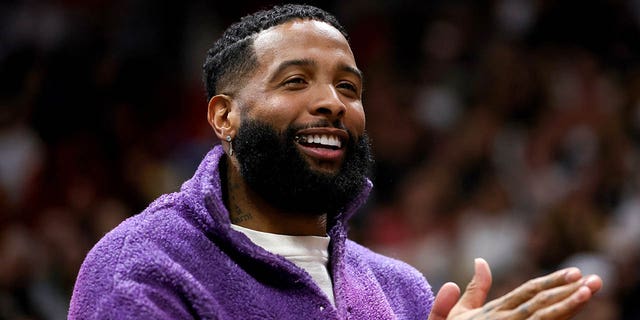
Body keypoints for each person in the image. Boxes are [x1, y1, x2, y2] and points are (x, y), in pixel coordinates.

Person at [68, 4, 602, 319]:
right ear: (224, 117)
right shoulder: (144, 265)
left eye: (349, 87)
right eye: (295, 81)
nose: (333, 102)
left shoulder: (402, 291)